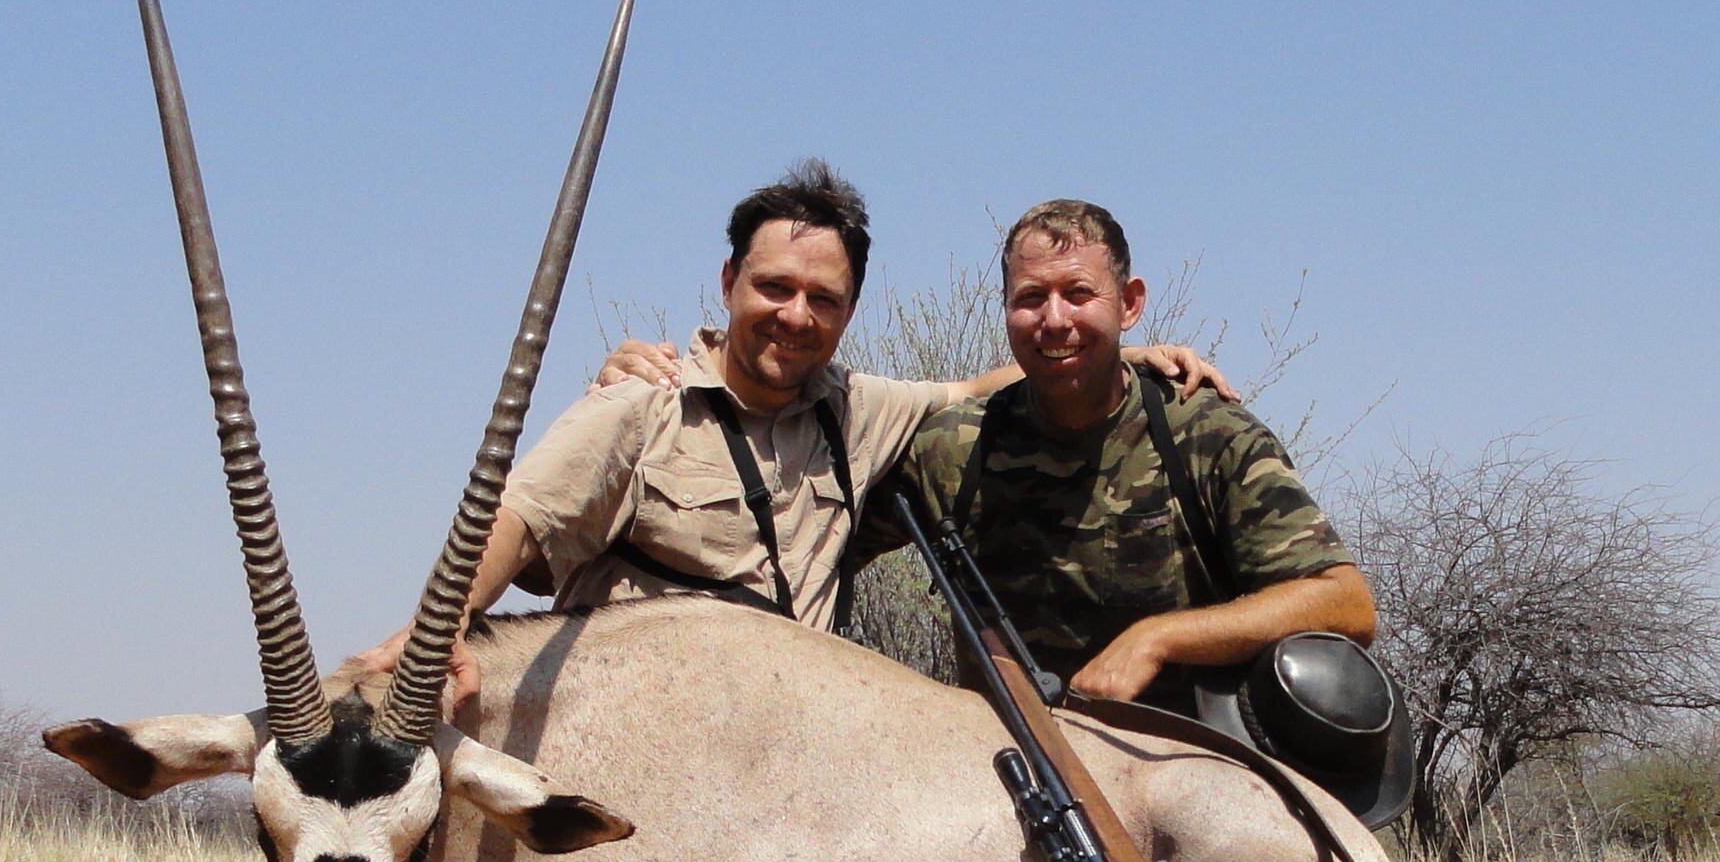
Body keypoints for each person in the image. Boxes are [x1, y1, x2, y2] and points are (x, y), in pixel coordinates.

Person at [357, 165, 1228, 700]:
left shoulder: (860, 409)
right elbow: (520, 518)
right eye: (774, 287)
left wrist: (1116, 354)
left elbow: (974, 386)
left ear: (850, 310)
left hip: (790, 759)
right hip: (632, 739)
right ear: (731, 279)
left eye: (824, 300)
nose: (795, 316)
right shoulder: (641, 400)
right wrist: (430, 634)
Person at [854, 197, 1374, 715]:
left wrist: (1157, 639)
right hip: (1009, 766)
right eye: (1031, 297)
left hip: (1189, 766)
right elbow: (822, 556)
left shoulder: (1209, 436)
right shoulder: (950, 449)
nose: (1054, 320)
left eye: (1079, 293)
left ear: (1129, 303)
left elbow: (1343, 601)